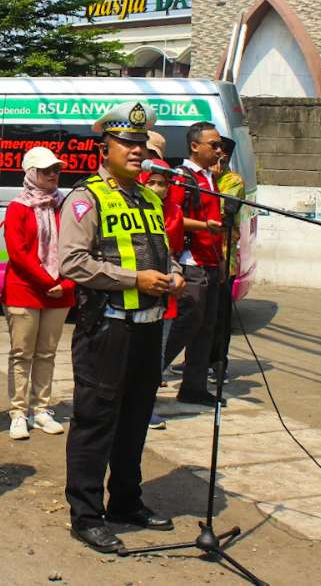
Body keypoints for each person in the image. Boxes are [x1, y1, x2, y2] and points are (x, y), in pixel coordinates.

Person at [59, 101, 185, 553]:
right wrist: (136, 280)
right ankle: (86, 514)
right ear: (104, 147)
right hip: (107, 328)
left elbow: (158, 251)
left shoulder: (150, 196)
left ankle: (126, 501)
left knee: (134, 421)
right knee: (95, 422)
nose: (137, 150)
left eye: (140, 143)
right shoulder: (85, 197)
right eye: (126, 142)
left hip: (148, 326)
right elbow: (72, 263)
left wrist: (172, 275)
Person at [2, 147, 74, 441]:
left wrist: (67, 284)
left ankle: (41, 409)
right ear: (31, 173)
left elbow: (77, 246)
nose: (53, 175)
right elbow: (18, 253)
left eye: (56, 170)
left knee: (47, 353)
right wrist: (47, 281)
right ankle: (18, 412)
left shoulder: (65, 205)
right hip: (26, 290)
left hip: (59, 291)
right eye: (47, 171)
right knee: (22, 354)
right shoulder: (19, 207)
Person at [163, 122, 225, 406]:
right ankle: (148, 375)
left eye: (219, 145)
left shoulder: (211, 178)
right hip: (191, 262)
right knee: (185, 326)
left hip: (211, 261)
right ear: (194, 146)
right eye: (213, 144)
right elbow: (171, 219)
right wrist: (204, 226)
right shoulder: (182, 178)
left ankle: (194, 386)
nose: (218, 150)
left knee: (206, 328)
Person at [137, 158, 184, 430]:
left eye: (162, 184)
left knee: (156, 356)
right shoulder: (134, 209)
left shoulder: (174, 213)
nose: (157, 188)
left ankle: (148, 406)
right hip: (137, 288)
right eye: (151, 182)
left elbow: (171, 249)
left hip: (165, 290)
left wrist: (175, 274)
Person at [208, 136, 245, 382]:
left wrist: (211, 179)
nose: (217, 161)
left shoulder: (233, 181)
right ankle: (196, 361)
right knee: (202, 316)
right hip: (204, 256)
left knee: (220, 318)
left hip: (224, 258)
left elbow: (221, 210)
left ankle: (219, 365)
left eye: (221, 157)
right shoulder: (203, 179)